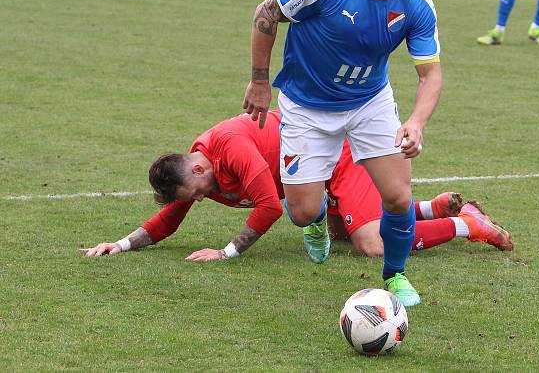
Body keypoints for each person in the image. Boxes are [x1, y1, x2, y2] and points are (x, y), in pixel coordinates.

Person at [241, 0, 441, 307]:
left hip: (369, 101)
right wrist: (260, 82)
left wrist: (416, 122)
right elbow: (266, 13)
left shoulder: (417, 3)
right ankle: (316, 223)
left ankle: (396, 276)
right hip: (306, 105)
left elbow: (430, 75)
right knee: (300, 211)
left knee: (399, 197)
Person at [80, 112, 513, 261]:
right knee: (343, 232)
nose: (197, 202)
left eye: (195, 194)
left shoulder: (230, 146)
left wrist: (227, 252)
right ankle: (429, 208)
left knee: (370, 244)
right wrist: (119, 245)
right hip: (315, 175)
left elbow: (269, 205)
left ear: (195, 170)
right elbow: (170, 219)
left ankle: (466, 224)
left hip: (340, 157)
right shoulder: (197, 174)